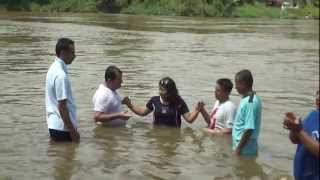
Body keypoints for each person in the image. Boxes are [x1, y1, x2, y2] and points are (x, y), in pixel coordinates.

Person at [122, 77, 200, 127]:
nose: (160, 92)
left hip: (173, 137)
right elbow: (142, 112)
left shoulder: (179, 102)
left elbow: (189, 119)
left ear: (171, 92)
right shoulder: (154, 101)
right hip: (157, 136)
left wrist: (197, 110)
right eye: (159, 89)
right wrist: (129, 104)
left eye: (163, 90)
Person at [45, 38, 79, 142]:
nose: (75, 55)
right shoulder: (61, 75)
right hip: (62, 128)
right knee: (68, 157)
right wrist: (72, 131)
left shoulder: (53, 68)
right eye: (72, 52)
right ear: (63, 53)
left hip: (55, 126)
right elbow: (62, 106)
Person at [283, 90, 319, 180]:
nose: (318, 96)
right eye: (318, 93)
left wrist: (299, 130)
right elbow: (296, 140)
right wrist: (293, 128)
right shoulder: (312, 115)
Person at [232, 69, 262, 156]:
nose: (235, 87)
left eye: (237, 83)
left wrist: (238, 149)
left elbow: (249, 129)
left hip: (245, 151)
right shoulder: (248, 98)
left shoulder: (250, 102)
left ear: (243, 84)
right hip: (243, 147)